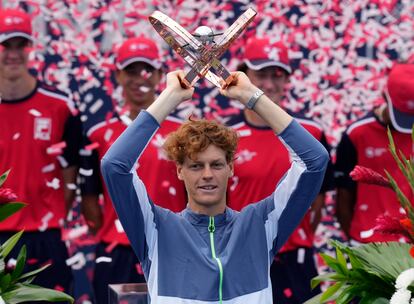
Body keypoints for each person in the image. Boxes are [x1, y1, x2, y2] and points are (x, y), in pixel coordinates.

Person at [100, 69, 329, 303]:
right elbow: (114, 166)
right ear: (180, 170)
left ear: (230, 168)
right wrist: (169, 97)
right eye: (196, 166)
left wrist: (252, 96)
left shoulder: (260, 224)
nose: (208, 175)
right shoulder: (155, 227)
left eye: (217, 165)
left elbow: (314, 161)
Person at [226, 36, 334, 303]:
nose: (269, 85)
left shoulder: (311, 133)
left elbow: (317, 201)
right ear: (244, 74)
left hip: (295, 259)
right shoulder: (224, 135)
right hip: (242, 255)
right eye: (261, 75)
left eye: (277, 75)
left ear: (287, 80)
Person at [80, 37, 186, 303]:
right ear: (118, 75)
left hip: (170, 248)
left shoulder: (185, 132)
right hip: (117, 251)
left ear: (161, 75)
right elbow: (90, 200)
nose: (140, 77)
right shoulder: (98, 134)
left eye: (147, 69)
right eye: (131, 70)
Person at [0, 8, 81, 295]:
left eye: (20, 44)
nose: (13, 53)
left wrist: (48, 212)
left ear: (30, 47)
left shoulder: (60, 106)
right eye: (5, 44)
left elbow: (70, 172)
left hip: (44, 237)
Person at [335, 63, 414, 244]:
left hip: (410, 244)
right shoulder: (357, 133)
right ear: (385, 96)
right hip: (367, 243)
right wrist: (356, 242)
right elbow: (344, 196)